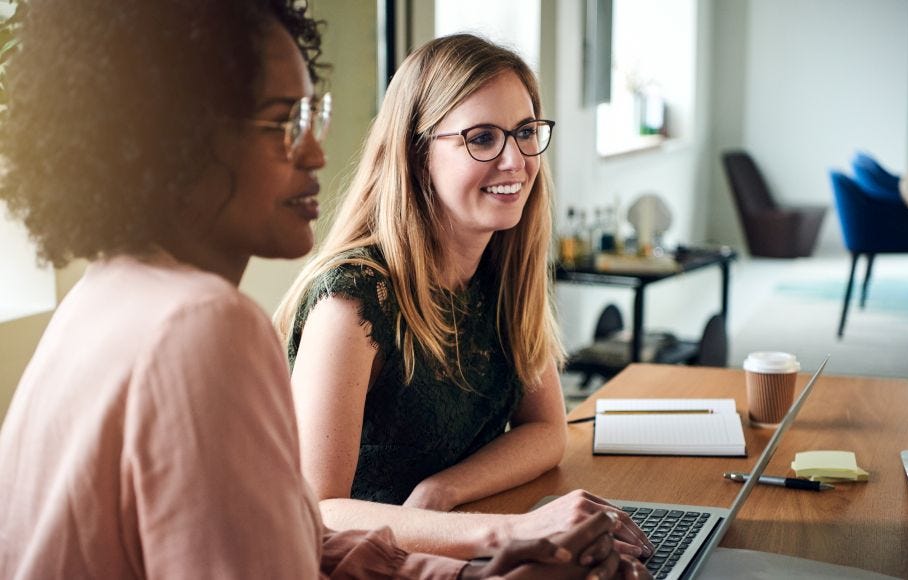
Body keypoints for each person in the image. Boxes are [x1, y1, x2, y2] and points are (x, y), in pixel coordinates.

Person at [0, 2, 646, 578]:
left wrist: (473, 569)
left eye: (313, 115)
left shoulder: (105, 291)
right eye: (284, 121)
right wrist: (499, 537)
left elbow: (297, 543)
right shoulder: (203, 322)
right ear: (180, 139)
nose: (315, 151)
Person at [274, 33, 653, 561]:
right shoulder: (355, 296)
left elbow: (546, 430)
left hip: (452, 549)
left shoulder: (503, 264)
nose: (515, 160)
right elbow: (316, 509)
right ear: (417, 150)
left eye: (524, 132)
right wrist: (508, 531)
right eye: (481, 138)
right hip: (375, 566)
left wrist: (443, 491)